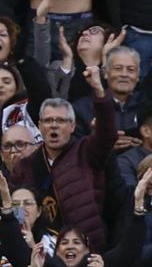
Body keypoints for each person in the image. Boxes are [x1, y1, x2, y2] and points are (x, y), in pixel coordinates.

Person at [9, 69, 115, 248]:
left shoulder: (87, 151)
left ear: (72, 126)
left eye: (60, 121)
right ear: (39, 126)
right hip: (42, 248)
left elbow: (107, 134)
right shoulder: (25, 165)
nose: (54, 126)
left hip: (86, 246)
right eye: (48, 121)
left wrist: (98, 91)